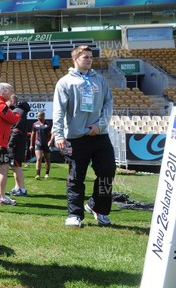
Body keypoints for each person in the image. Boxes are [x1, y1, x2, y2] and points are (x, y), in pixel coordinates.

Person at [52, 45, 115, 227]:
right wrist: (59, 135)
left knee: (107, 172)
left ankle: (99, 208)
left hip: (100, 135)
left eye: (90, 57)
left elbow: (108, 104)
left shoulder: (100, 81)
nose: (89, 59)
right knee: (76, 177)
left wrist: (99, 125)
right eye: (85, 57)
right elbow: (59, 111)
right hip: (75, 137)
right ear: (75, 59)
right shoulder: (65, 82)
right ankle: (75, 215)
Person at [7, 95, 30, 197]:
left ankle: (22, 189)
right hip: (18, 144)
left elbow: (16, 130)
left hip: (16, 145)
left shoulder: (18, 111)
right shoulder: (21, 112)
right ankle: (17, 187)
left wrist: (10, 143)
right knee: (15, 166)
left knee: (17, 167)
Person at [30, 111, 53, 179]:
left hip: (47, 144)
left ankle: (47, 173)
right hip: (38, 143)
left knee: (47, 159)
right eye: (37, 116)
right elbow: (33, 134)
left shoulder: (49, 124)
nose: (38, 117)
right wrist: (31, 144)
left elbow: (53, 133)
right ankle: (38, 174)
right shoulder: (35, 124)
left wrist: (51, 141)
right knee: (39, 158)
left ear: (43, 116)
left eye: (40, 116)